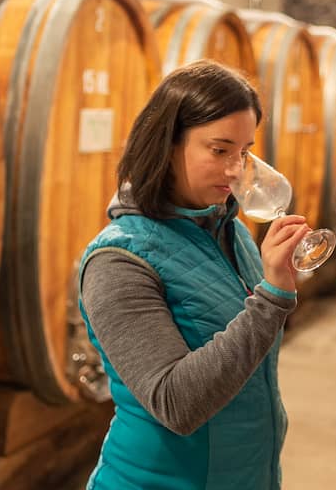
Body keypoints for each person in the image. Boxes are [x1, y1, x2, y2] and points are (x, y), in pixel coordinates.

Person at [77, 59, 309, 490]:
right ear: (166, 144)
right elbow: (176, 403)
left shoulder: (231, 230)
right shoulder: (118, 261)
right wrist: (273, 295)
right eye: (219, 150)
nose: (237, 170)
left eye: (244, 152)